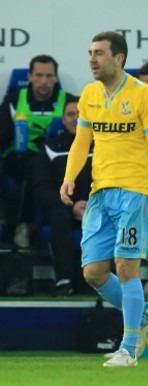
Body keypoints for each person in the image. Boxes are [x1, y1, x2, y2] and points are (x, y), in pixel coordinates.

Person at [59, 31, 148, 368]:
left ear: (119, 58)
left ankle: (129, 348)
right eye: (90, 53)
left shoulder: (143, 95)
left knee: (125, 266)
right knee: (93, 272)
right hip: (100, 192)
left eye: (100, 53)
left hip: (136, 192)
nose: (92, 59)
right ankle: (145, 319)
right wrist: (69, 176)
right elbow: (81, 143)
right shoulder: (89, 94)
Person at [0, 55, 76, 248]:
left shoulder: (68, 102)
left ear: (56, 78)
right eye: (39, 75)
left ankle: (26, 225)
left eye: (49, 76)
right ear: (30, 76)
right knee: (31, 165)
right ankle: (24, 224)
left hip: (57, 159)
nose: (44, 81)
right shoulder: (14, 100)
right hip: (19, 158)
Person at [33, 98, 91, 296]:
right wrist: (72, 205)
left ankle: (103, 281)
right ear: (63, 120)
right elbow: (42, 189)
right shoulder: (51, 148)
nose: (76, 119)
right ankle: (64, 280)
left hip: (96, 205)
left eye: (81, 114)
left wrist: (91, 205)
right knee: (59, 216)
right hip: (61, 207)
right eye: (71, 114)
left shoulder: (104, 147)